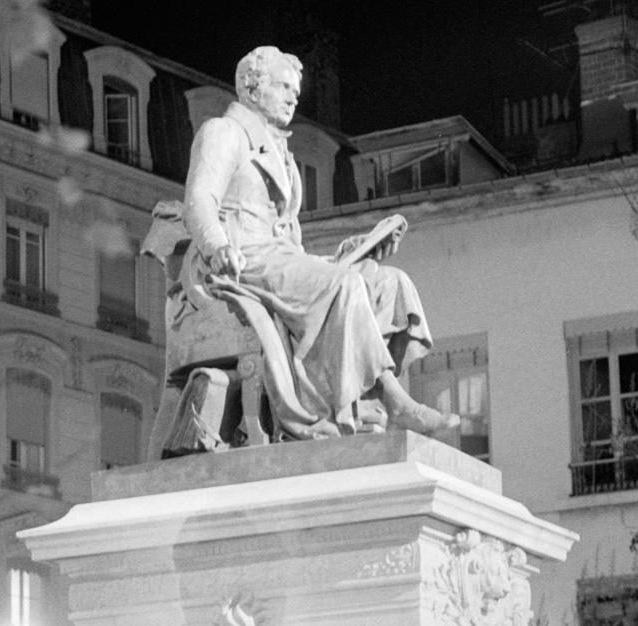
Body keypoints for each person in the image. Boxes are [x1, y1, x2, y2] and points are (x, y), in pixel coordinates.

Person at [180, 45, 459, 439]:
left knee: (390, 283)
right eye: (283, 86)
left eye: (296, 89)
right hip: (244, 260)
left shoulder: (285, 155)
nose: (294, 96)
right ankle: (394, 400)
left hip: (280, 260)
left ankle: (367, 400)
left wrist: (347, 252)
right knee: (343, 284)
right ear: (251, 88)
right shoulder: (224, 132)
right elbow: (199, 200)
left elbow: (291, 247)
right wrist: (217, 246)